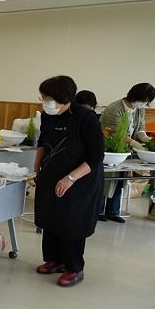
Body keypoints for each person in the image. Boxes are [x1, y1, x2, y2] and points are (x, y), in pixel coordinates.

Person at [34, 75, 104, 287]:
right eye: (43, 98)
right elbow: (43, 143)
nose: (45, 102)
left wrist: (71, 178)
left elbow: (96, 156)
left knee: (71, 222)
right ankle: (54, 260)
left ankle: (74, 268)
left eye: (48, 98)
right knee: (50, 217)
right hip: (51, 173)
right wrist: (36, 168)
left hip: (79, 179)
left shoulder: (86, 118)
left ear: (64, 98)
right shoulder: (49, 116)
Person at [99, 83, 155, 223]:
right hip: (109, 149)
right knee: (106, 181)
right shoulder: (115, 108)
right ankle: (99, 211)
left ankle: (113, 211)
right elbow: (116, 132)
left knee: (120, 181)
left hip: (124, 151)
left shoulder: (138, 109)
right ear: (135, 96)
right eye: (145, 101)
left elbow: (140, 127)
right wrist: (135, 144)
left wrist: (146, 140)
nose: (145, 105)